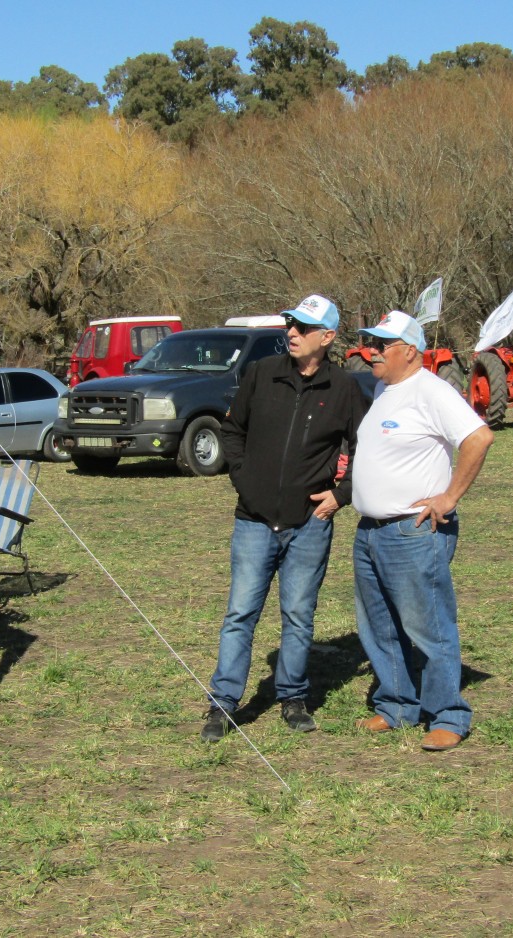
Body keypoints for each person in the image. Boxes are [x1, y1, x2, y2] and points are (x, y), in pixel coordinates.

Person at [201, 294, 369, 742]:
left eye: (303, 327)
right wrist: (242, 477)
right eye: (290, 324)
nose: (291, 333)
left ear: (328, 338)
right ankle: (223, 704)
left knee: (298, 615)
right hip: (253, 520)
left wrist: (341, 495)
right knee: (240, 613)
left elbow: (368, 450)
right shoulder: (261, 374)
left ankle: (292, 697)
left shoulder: (345, 388)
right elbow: (233, 431)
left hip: (310, 524)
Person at [350, 309, 494, 752]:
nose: (370, 351)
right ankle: (395, 706)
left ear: (409, 351)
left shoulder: (431, 391)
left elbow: (478, 437)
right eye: (368, 342)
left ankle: (448, 715)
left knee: (428, 626)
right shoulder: (382, 389)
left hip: (412, 533)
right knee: (380, 627)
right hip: (370, 531)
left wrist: (449, 497)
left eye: (380, 345)